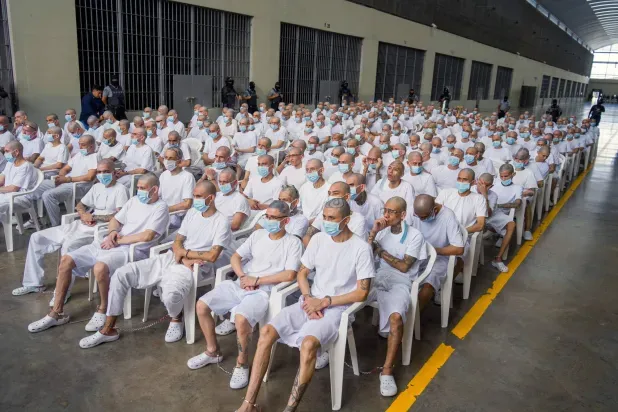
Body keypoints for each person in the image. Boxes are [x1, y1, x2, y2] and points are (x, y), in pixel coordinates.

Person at [235, 198, 375, 412]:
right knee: (266, 333)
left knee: (308, 345)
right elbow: (302, 273)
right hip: (309, 301)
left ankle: (289, 409)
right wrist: (309, 297)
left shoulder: (361, 248)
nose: (326, 222)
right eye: (324, 217)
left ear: (346, 220)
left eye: (332, 218)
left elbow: (362, 292)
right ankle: (248, 404)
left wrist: (325, 302)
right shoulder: (319, 239)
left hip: (336, 308)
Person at [79, 181, 230, 348]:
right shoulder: (193, 213)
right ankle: (108, 329)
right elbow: (177, 240)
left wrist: (184, 255)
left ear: (211, 198)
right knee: (121, 274)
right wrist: (182, 255)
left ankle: (176, 317)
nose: (195, 200)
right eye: (194, 196)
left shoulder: (221, 221)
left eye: (199, 196)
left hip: (195, 267)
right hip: (175, 258)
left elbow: (212, 255)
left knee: (171, 296)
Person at [27, 173, 170, 333]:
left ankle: (103, 309)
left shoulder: (161, 207)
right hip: (111, 242)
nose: (139, 191)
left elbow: (147, 236)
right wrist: (112, 232)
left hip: (132, 251)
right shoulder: (134, 200)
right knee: (66, 260)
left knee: (100, 267)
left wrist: (118, 241)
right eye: (138, 187)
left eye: (142, 188)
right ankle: (56, 312)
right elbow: (116, 220)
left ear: (154, 189)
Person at [189, 200, 302, 389]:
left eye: (274, 218)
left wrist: (256, 281)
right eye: (267, 216)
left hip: (265, 291)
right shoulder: (258, 235)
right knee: (202, 305)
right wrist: (243, 276)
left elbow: (290, 274)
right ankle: (213, 351)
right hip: (242, 283)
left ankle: (242, 363)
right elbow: (236, 257)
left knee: (241, 319)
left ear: (286, 221)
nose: (269, 221)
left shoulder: (293, 243)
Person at [12, 159, 128, 298]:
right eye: (99, 172)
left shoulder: (121, 190)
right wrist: (83, 214)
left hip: (99, 230)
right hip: (80, 224)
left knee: (69, 246)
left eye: (106, 171)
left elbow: (119, 217)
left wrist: (94, 217)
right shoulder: (97, 187)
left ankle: (62, 293)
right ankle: (33, 283)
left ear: (114, 172)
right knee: (37, 237)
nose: (102, 175)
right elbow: (80, 205)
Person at [366, 197, 428, 396]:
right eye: (385, 210)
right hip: (378, 276)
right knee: (348, 298)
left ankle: (386, 371)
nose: (386, 215)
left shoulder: (415, 236)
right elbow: (365, 255)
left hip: (401, 282)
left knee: (396, 318)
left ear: (402, 215)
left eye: (391, 212)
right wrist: (373, 233)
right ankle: (327, 348)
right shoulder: (382, 231)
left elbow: (403, 266)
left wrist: (380, 250)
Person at [31, 135, 98, 227]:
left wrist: (68, 179)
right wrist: (61, 177)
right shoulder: (79, 155)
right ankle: (36, 219)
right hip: (67, 182)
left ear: (91, 146)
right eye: (79, 144)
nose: (80, 147)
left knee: (48, 195)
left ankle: (56, 225)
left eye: (83, 145)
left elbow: (90, 177)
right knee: (36, 187)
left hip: (80, 186)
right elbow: (65, 168)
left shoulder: (94, 157)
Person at [410, 195, 465, 304]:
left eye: (424, 217)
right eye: (418, 216)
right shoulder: (415, 211)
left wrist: (432, 251)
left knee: (428, 285)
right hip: (416, 254)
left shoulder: (448, 216)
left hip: (440, 258)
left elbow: (459, 249)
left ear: (434, 210)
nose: (420, 220)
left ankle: (415, 314)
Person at [303, 182, 368, 246]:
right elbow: (308, 235)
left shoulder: (359, 220)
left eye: (335, 193)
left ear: (347, 197)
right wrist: (313, 250)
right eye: (329, 193)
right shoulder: (324, 213)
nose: (331, 196)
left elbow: (357, 246)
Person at [483, 166, 521, 272]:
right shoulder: (493, 184)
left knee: (511, 224)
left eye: (506, 176)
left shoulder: (517, 188)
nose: (503, 179)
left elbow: (517, 203)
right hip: (484, 211)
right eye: (501, 176)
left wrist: (499, 205)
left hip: (497, 213)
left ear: (513, 174)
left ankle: (498, 258)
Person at [0, 141, 37, 224]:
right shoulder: (10, 163)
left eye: (7, 151)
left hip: (20, 197)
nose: (5, 154)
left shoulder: (25, 166)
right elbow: (1, 179)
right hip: (7, 194)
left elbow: (14, 188)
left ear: (16, 152)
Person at [159, 147, 195, 232]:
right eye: (166, 158)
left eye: (171, 158)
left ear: (179, 161)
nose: (167, 161)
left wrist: (165, 210)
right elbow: (159, 196)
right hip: (163, 214)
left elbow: (187, 204)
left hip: (178, 216)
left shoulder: (187, 177)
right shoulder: (164, 175)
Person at [299, 159, 330, 223]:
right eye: (307, 170)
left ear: (321, 170)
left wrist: (308, 223)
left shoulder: (329, 189)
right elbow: (299, 207)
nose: (309, 172)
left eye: (312, 169)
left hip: (319, 224)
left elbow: (326, 213)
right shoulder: (304, 187)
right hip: (302, 222)